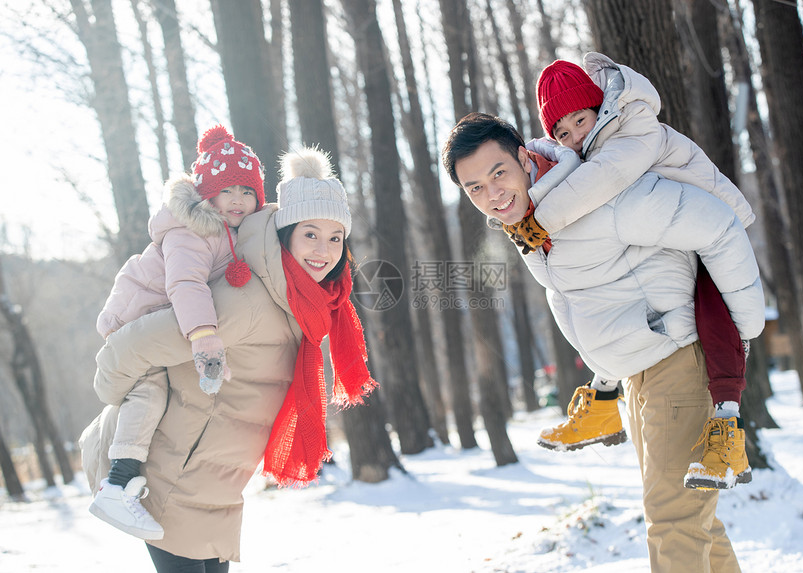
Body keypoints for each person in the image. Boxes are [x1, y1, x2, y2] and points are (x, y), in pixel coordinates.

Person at [442, 112, 764, 572]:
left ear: (522, 157)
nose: (492, 195)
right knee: (694, 520)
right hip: (637, 375)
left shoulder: (597, 195)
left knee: (673, 521)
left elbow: (717, 224)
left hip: (676, 362)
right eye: (474, 188)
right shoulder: (531, 221)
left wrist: (745, 326)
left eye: (498, 174)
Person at [80, 145, 377, 570]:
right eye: (310, 233)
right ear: (285, 233)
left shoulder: (304, 306)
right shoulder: (250, 299)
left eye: (335, 238)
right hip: (168, 480)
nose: (323, 250)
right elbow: (130, 348)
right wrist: (111, 388)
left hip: (214, 490)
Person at [518, 53, 756, 491]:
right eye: (562, 132)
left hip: (711, 228)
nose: (573, 138)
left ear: (600, 108)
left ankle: (729, 425)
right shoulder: (593, 147)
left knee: (716, 320)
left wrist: (538, 220)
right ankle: (605, 399)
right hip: (671, 231)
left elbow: (605, 179)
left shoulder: (631, 128)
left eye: (580, 122)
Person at [89, 125, 266, 540]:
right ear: (207, 195)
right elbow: (186, 284)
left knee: (161, 392)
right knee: (149, 392)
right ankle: (118, 482)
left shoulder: (227, 230)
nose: (238, 199)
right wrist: (204, 337)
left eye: (247, 190)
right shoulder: (193, 229)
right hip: (135, 316)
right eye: (228, 190)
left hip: (162, 315)